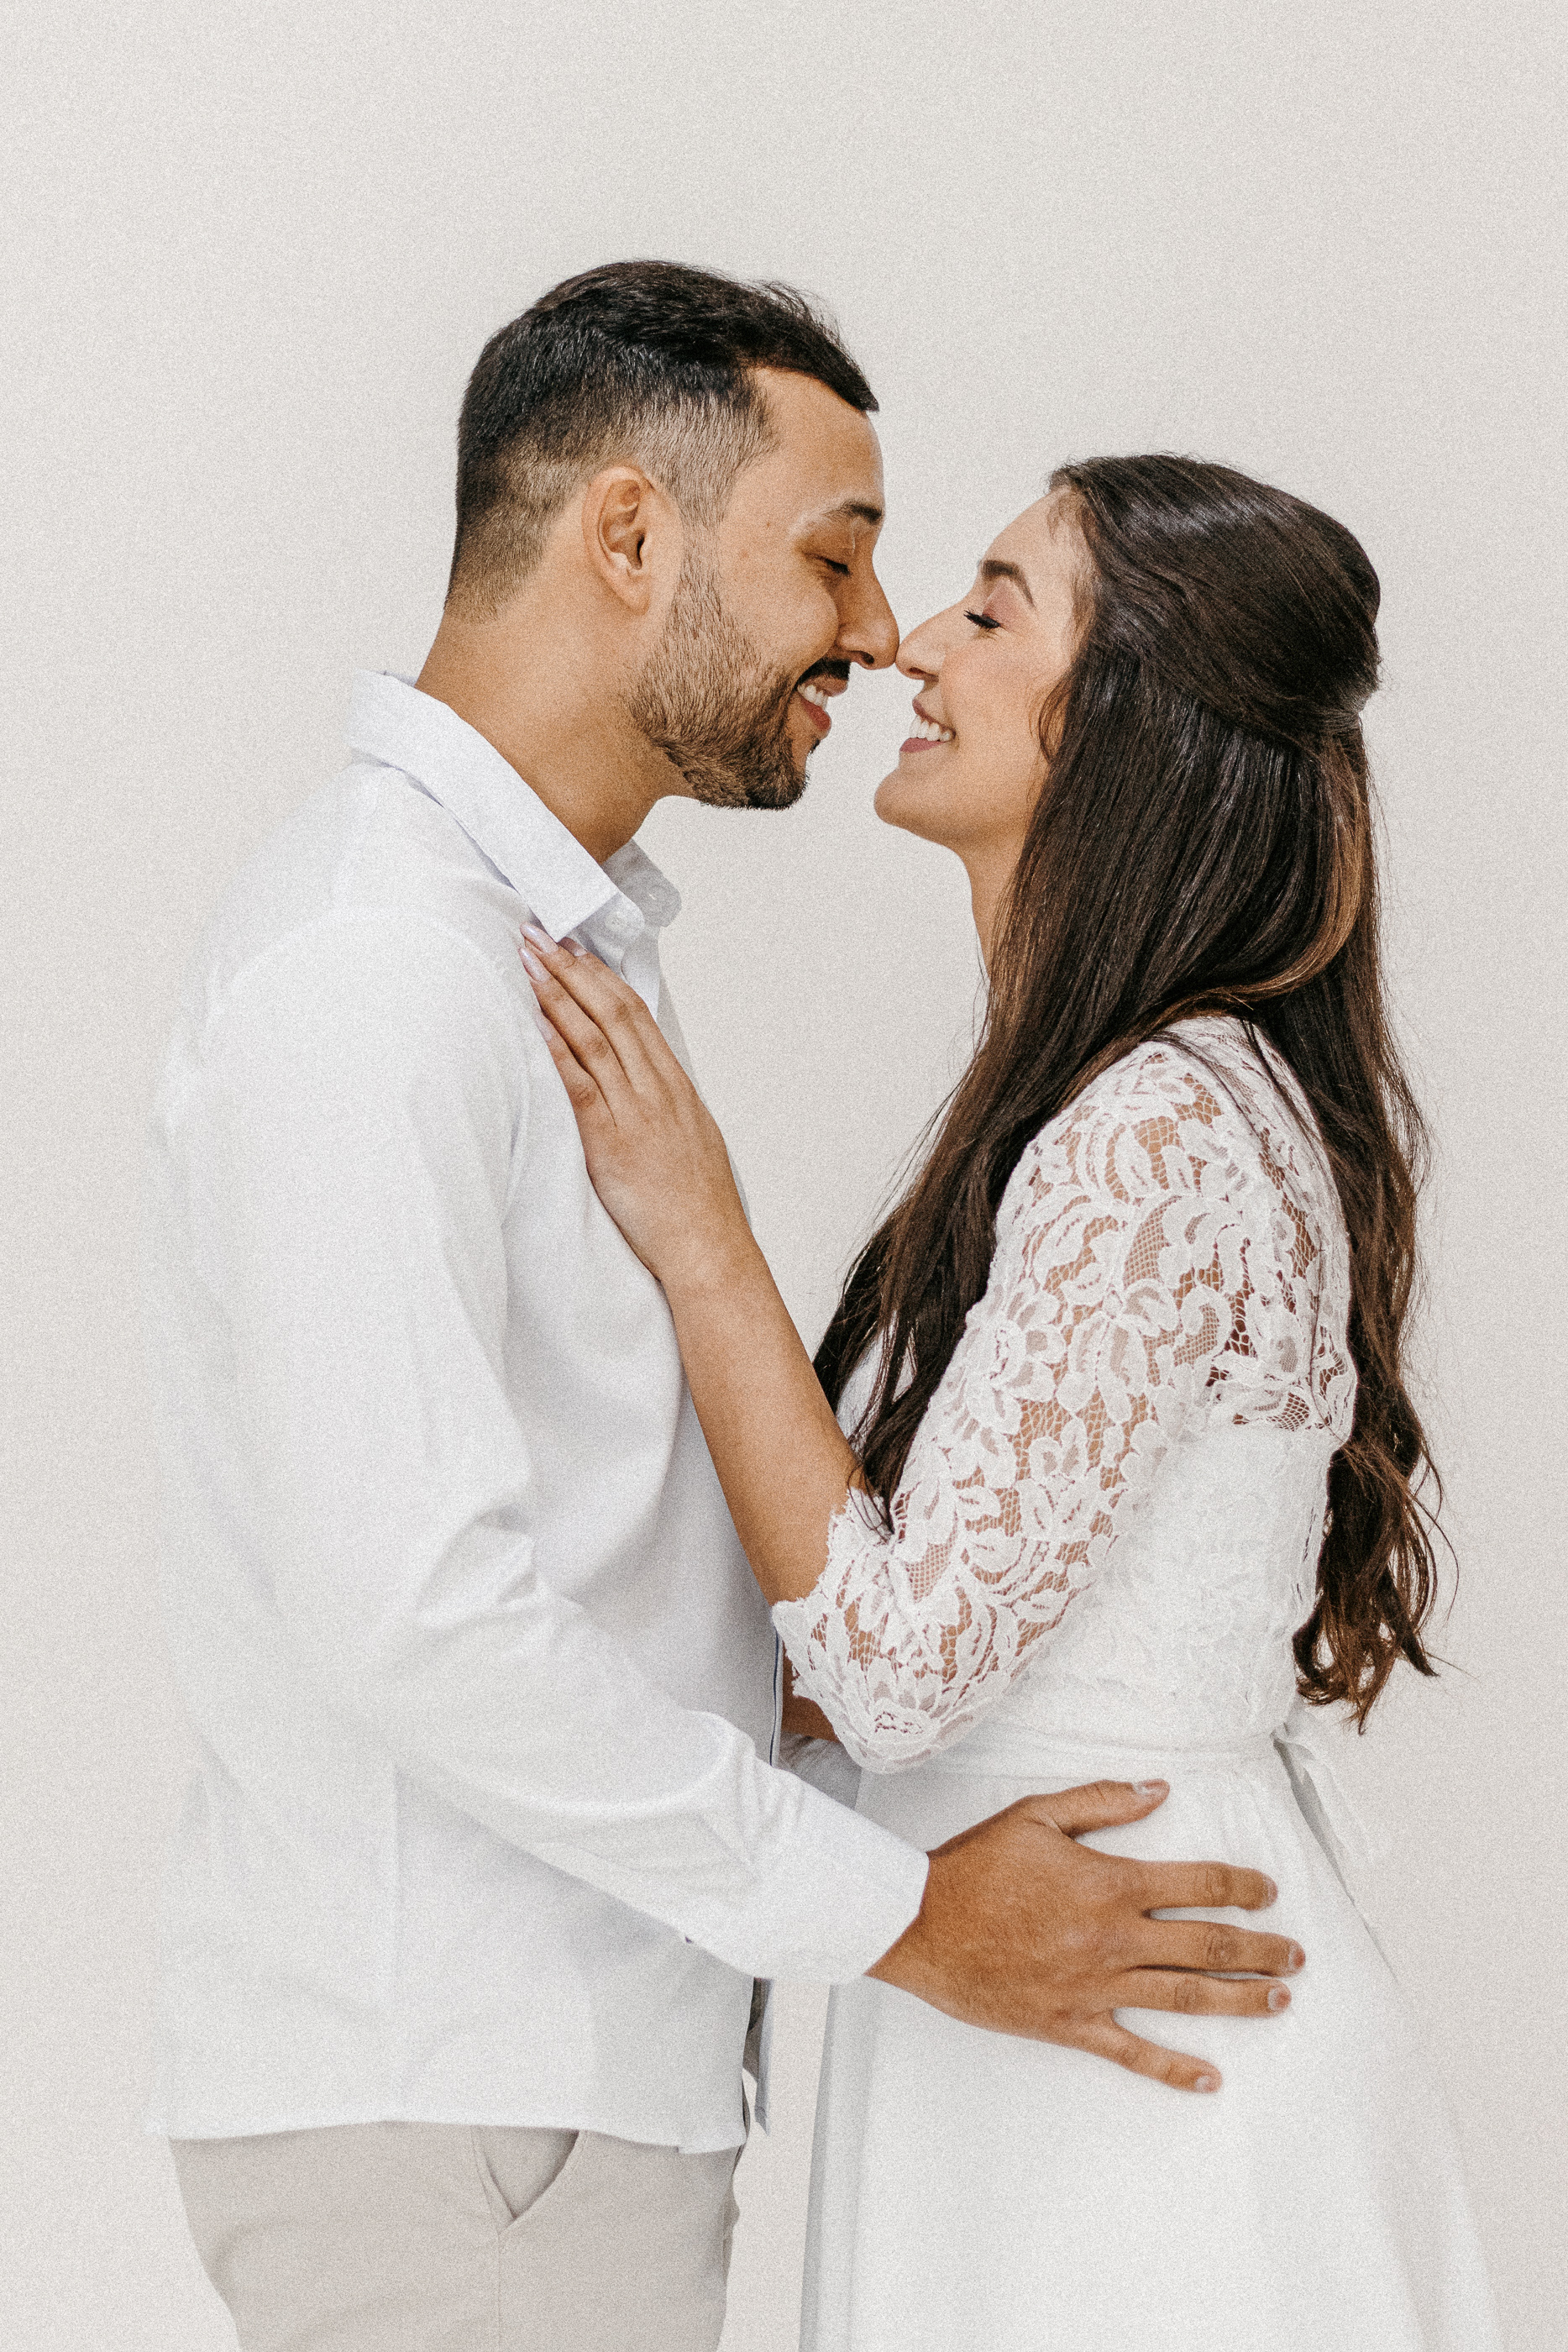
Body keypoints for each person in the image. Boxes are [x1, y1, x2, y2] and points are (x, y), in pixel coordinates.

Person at [142, 270, 1302, 2352]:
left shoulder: (548, 949)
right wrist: (904, 1912)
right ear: (627, 535)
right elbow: (415, 1610)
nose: (874, 629)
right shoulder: (376, 967)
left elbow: (614, 1541)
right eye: (833, 554)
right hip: (462, 2097)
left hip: (555, 2093)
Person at [521, 454, 1503, 2350]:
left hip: (1127, 2050)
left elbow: (896, 1667)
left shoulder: (1153, 1130)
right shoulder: (1131, 1105)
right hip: (1067, 1995)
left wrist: (699, 1235)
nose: (912, 643)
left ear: (1123, 724)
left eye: (992, 606)